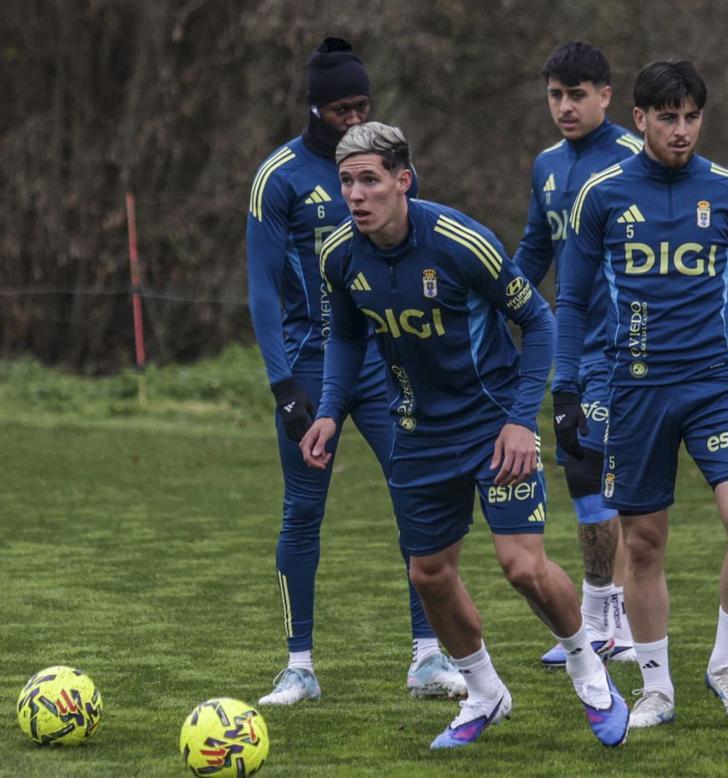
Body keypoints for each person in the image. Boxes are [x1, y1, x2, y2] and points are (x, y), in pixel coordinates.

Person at [302, 122, 630, 749]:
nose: (355, 195)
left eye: (369, 179)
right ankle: (484, 692)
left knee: (522, 567)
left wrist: (518, 418)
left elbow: (540, 322)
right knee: (428, 573)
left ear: (403, 180)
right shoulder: (339, 254)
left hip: (491, 424)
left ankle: (590, 672)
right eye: (346, 181)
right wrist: (328, 409)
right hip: (417, 434)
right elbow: (345, 335)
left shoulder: (459, 242)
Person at [553, 61, 728, 729]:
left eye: (690, 117)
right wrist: (565, 388)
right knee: (646, 543)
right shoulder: (601, 194)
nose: (680, 130)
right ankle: (656, 686)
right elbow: (570, 299)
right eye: (667, 117)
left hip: (714, 386)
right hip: (635, 390)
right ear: (640, 118)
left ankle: (725, 666)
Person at [245, 37, 464, 705]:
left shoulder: (395, 173)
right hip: (311, 366)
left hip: (383, 364)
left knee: (417, 500)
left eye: (362, 105)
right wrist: (282, 384)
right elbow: (259, 285)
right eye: (340, 107)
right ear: (314, 107)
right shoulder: (278, 177)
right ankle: (299, 666)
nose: (352, 119)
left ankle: (428, 656)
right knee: (302, 512)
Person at [512, 41, 643, 668]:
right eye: (555, 95)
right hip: (572, 344)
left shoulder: (632, 158)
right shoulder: (545, 166)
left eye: (577, 95)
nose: (564, 106)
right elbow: (535, 253)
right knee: (582, 472)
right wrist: (490, 300)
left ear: (606, 96)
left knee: (598, 469)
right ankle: (601, 616)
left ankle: (609, 617)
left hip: (625, 344)